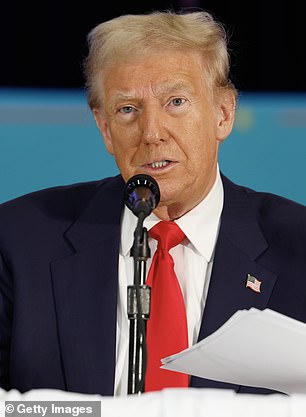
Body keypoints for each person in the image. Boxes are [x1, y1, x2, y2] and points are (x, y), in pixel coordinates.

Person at [1, 9, 306, 397]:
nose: (151, 133)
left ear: (223, 114)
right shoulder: (19, 241)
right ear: (105, 129)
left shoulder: (299, 247)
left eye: (176, 101)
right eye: (127, 109)